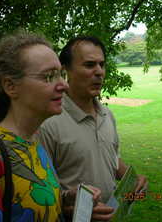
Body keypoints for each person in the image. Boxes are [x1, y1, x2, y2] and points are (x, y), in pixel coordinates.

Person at [0, 31, 109, 221]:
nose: (63, 85)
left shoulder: (33, 143)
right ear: (11, 86)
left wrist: (64, 199)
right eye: (49, 77)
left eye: (61, 75)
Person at [36, 36, 148, 205]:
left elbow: (113, 159)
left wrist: (132, 181)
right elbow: (39, 190)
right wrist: (70, 206)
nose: (99, 72)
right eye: (89, 65)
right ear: (66, 71)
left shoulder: (107, 115)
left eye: (101, 65)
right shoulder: (47, 122)